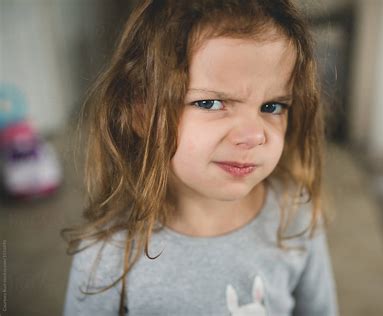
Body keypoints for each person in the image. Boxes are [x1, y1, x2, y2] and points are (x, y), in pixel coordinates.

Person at [62, 0, 338, 315]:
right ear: (141, 112)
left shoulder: (296, 215)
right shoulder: (108, 253)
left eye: (272, 107)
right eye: (210, 103)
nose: (253, 135)